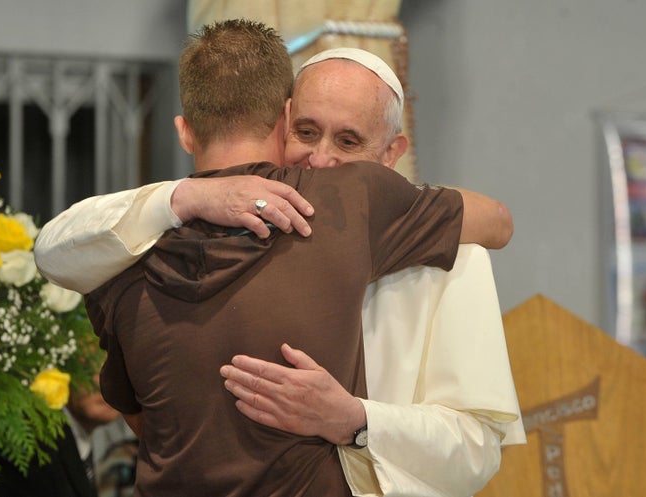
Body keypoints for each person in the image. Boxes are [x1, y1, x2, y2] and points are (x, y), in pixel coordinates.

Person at [35, 21, 523, 497]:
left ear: (393, 152)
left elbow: (476, 449)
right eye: (307, 132)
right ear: (285, 120)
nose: (320, 160)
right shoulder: (149, 229)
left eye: (348, 141)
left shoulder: (450, 253)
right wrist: (188, 197)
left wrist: (357, 421)